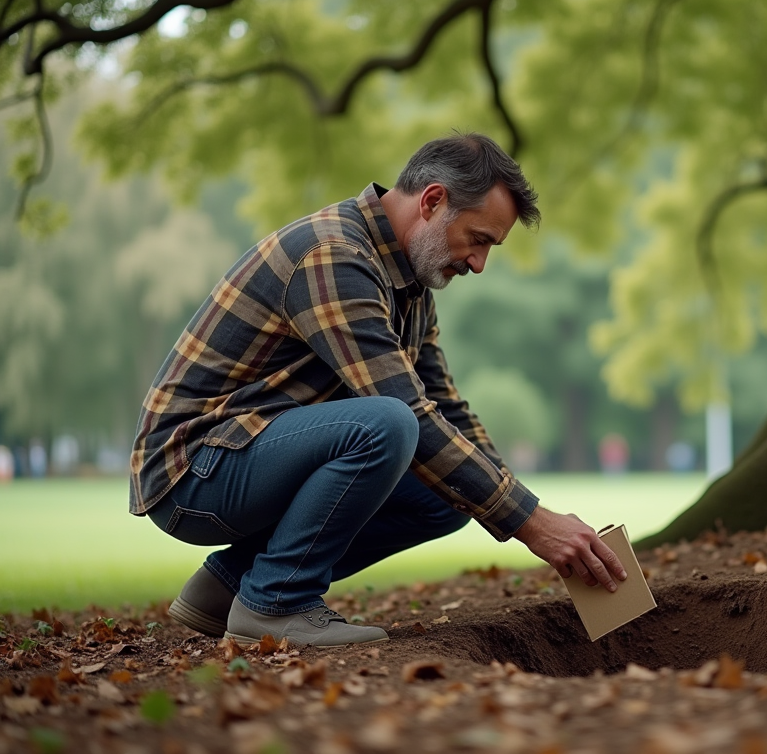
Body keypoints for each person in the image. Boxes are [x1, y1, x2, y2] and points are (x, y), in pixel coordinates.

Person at [129, 133, 626, 647]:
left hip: (246, 456)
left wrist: (522, 502)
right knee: (389, 424)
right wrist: (533, 524)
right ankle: (276, 601)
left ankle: (227, 588)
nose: (479, 264)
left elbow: (447, 409)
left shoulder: (408, 283)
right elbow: (410, 412)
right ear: (432, 201)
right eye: (478, 239)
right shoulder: (334, 256)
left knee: (449, 496)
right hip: (193, 471)